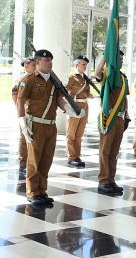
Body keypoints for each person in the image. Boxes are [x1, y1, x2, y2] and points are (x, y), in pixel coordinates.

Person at [17, 49, 81, 205]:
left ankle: (41, 190)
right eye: (47, 61)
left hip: (50, 125)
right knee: (34, 160)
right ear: (37, 62)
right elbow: (20, 101)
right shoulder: (29, 79)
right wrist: (22, 123)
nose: (50, 63)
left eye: (51, 60)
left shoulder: (54, 80)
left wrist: (70, 110)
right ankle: (32, 192)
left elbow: (59, 99)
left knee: (46, 160)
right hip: (35, 124)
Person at [95, 53, 128, 194]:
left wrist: (127, 115)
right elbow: (97, 73)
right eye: (118, 60)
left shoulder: (123, 78)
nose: (120, 62)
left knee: (114, 152)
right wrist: (105, 57)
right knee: (105, 151)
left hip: (120, 118)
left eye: (121, 60)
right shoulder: (108, 75)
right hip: (108, 118)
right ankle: (103, 181)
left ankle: (111, 179)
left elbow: (125, 98)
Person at [65, 55, 94, 168]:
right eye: (83, 64)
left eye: (86, 64)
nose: (85, 66)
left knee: (79, 133)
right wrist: (69, 105)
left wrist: (90, 95)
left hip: (84, 105)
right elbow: (65, 91)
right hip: (74, 105)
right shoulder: (71, 76)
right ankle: (71, 157)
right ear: (77, 64)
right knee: (71, 133)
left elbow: (87, 92)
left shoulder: (86, 78)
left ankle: (77, 155)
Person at [13, 57, 36, 177]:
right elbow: (15, 96)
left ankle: (32, 162)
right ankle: (23, 163)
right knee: (23, 137)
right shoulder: (21, 80)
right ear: (26, 67)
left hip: (36, 113)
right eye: (33, 65)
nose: (35, 67)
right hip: (25, 112)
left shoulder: (37, 79)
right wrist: (20, 111)